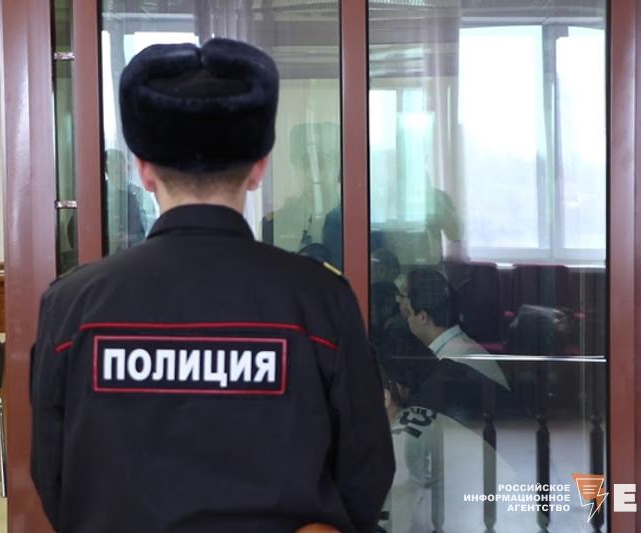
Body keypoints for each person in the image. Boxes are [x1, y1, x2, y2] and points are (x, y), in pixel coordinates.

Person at [30, 38, 394, 533]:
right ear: (259, 167)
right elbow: (366, 474)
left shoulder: (73, 304)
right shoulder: (319, 301)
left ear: (143, 169)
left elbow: (53, 476)